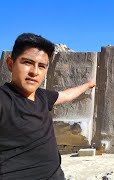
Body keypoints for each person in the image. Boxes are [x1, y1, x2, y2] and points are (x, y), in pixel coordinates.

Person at [0, 33, 96, 179]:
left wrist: (87, 85)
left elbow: (66, 95)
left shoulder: (43, 96)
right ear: (10, 64)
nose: (34, 72)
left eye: (42, 66)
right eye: (27, 62)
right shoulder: (4, 99)